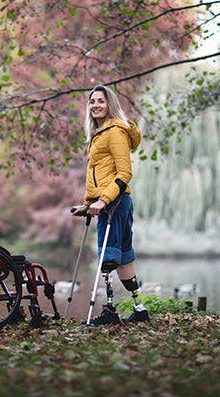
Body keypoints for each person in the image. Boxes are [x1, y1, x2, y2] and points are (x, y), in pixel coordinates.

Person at [71, 85, 149, 325]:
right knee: (124, 258)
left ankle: (110, 312)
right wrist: (88, 204)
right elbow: (98, 173)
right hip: (114, 201)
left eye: (100, 101)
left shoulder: (114, 131)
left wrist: (103, 200)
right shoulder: (100, 133)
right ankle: (139, 309)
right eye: (92, 101)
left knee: (108, 255)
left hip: (114, 202)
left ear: (110, 104)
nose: (95, 105)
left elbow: (124, 172)